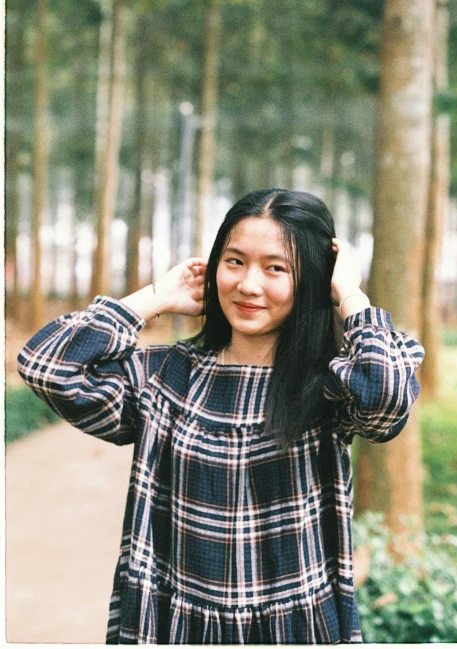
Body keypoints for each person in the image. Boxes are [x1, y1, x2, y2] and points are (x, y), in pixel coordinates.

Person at [18, 188, 424, 645]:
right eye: (235, 262)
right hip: (174, 624)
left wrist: (348, 292)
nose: (249, 285)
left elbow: (386, 397)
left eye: (276, 268)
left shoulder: (329, 385)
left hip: (294, 628)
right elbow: (47, 366)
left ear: (312, 278)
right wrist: (156, 297)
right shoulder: (166, 377)